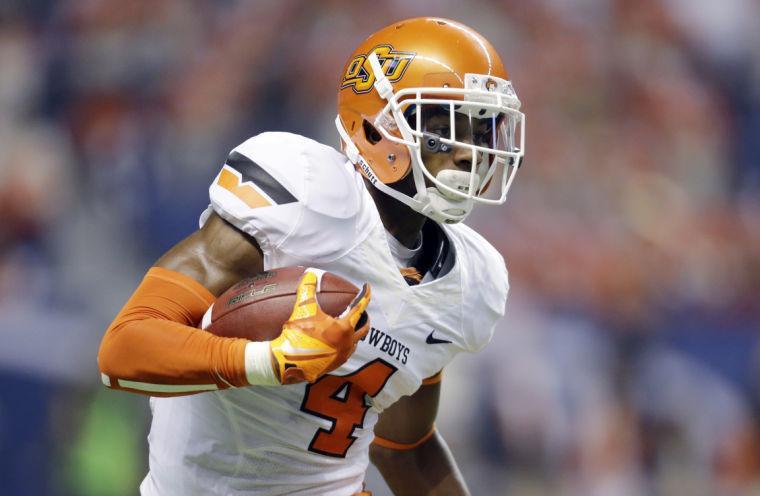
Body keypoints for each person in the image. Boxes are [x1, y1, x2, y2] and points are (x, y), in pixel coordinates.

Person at [98, 16, 524, 496]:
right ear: (376, 126)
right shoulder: (306, 199)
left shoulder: (469, 283)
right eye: (446, 126)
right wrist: (268, 360)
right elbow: (125, 350)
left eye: (482, 128)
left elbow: (405, 446)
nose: (471, 153)